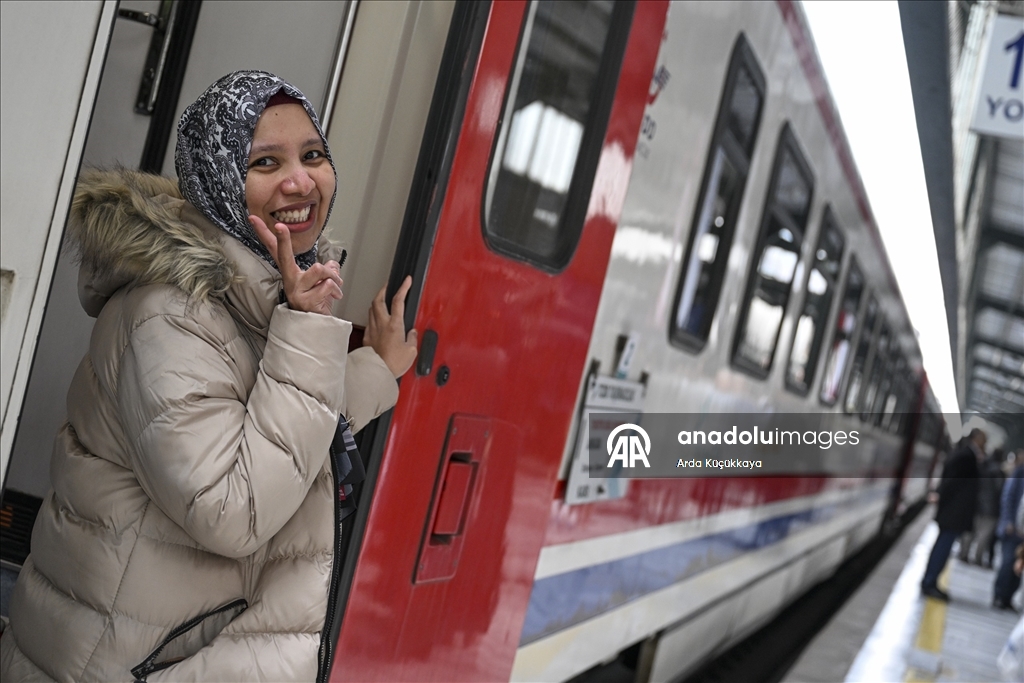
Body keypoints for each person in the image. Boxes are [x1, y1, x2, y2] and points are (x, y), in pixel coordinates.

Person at [0, 72, 417, 681]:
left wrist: (375, 367)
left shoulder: (256, 293)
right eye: (265, 162)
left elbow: (275, 427)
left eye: (312, 155)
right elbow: (234, 506)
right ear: (218, 179)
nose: (300, 181)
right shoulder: (168, 315)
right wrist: (305, 327)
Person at [920, 428, 986, 602]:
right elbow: (952, 481)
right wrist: (941, 496)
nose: (985, 442)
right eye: (983, 438)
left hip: (952, 511)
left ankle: (930, 581)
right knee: (943, 547)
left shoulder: (964, 453)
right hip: (954, 512)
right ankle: (929, 582)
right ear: (976, 438)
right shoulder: (967, 456)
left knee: (943, 546)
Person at [959, 449, 1005, 566]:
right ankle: (977, 558)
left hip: (976, 504)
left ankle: (963, 553)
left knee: (970, 531)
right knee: (983, 535)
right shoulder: (998, 472)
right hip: (991, 509)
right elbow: (1000, 490)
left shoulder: (982, 467)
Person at [993, 449, 1024, 612]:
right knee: (1007, 563)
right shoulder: (1019, 473)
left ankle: (1008, 598)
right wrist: (1008, 522)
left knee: (1018, 568)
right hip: (1013, 530)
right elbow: (1008, 497)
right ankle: (999, 596)